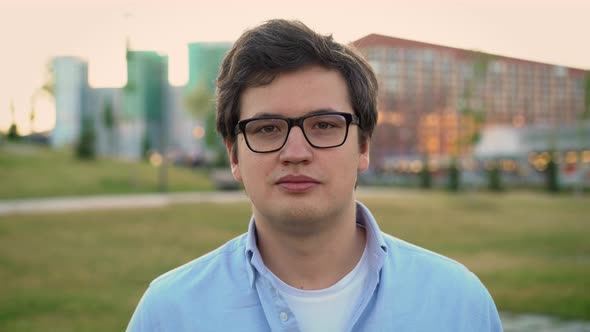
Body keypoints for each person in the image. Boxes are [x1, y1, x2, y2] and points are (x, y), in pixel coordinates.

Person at [127, 19, 502, 332]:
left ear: (363, 146)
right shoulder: (169, 314)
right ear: (233, 155)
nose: (295, 153)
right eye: (267, 128)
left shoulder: (459, 305)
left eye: (323, 125)